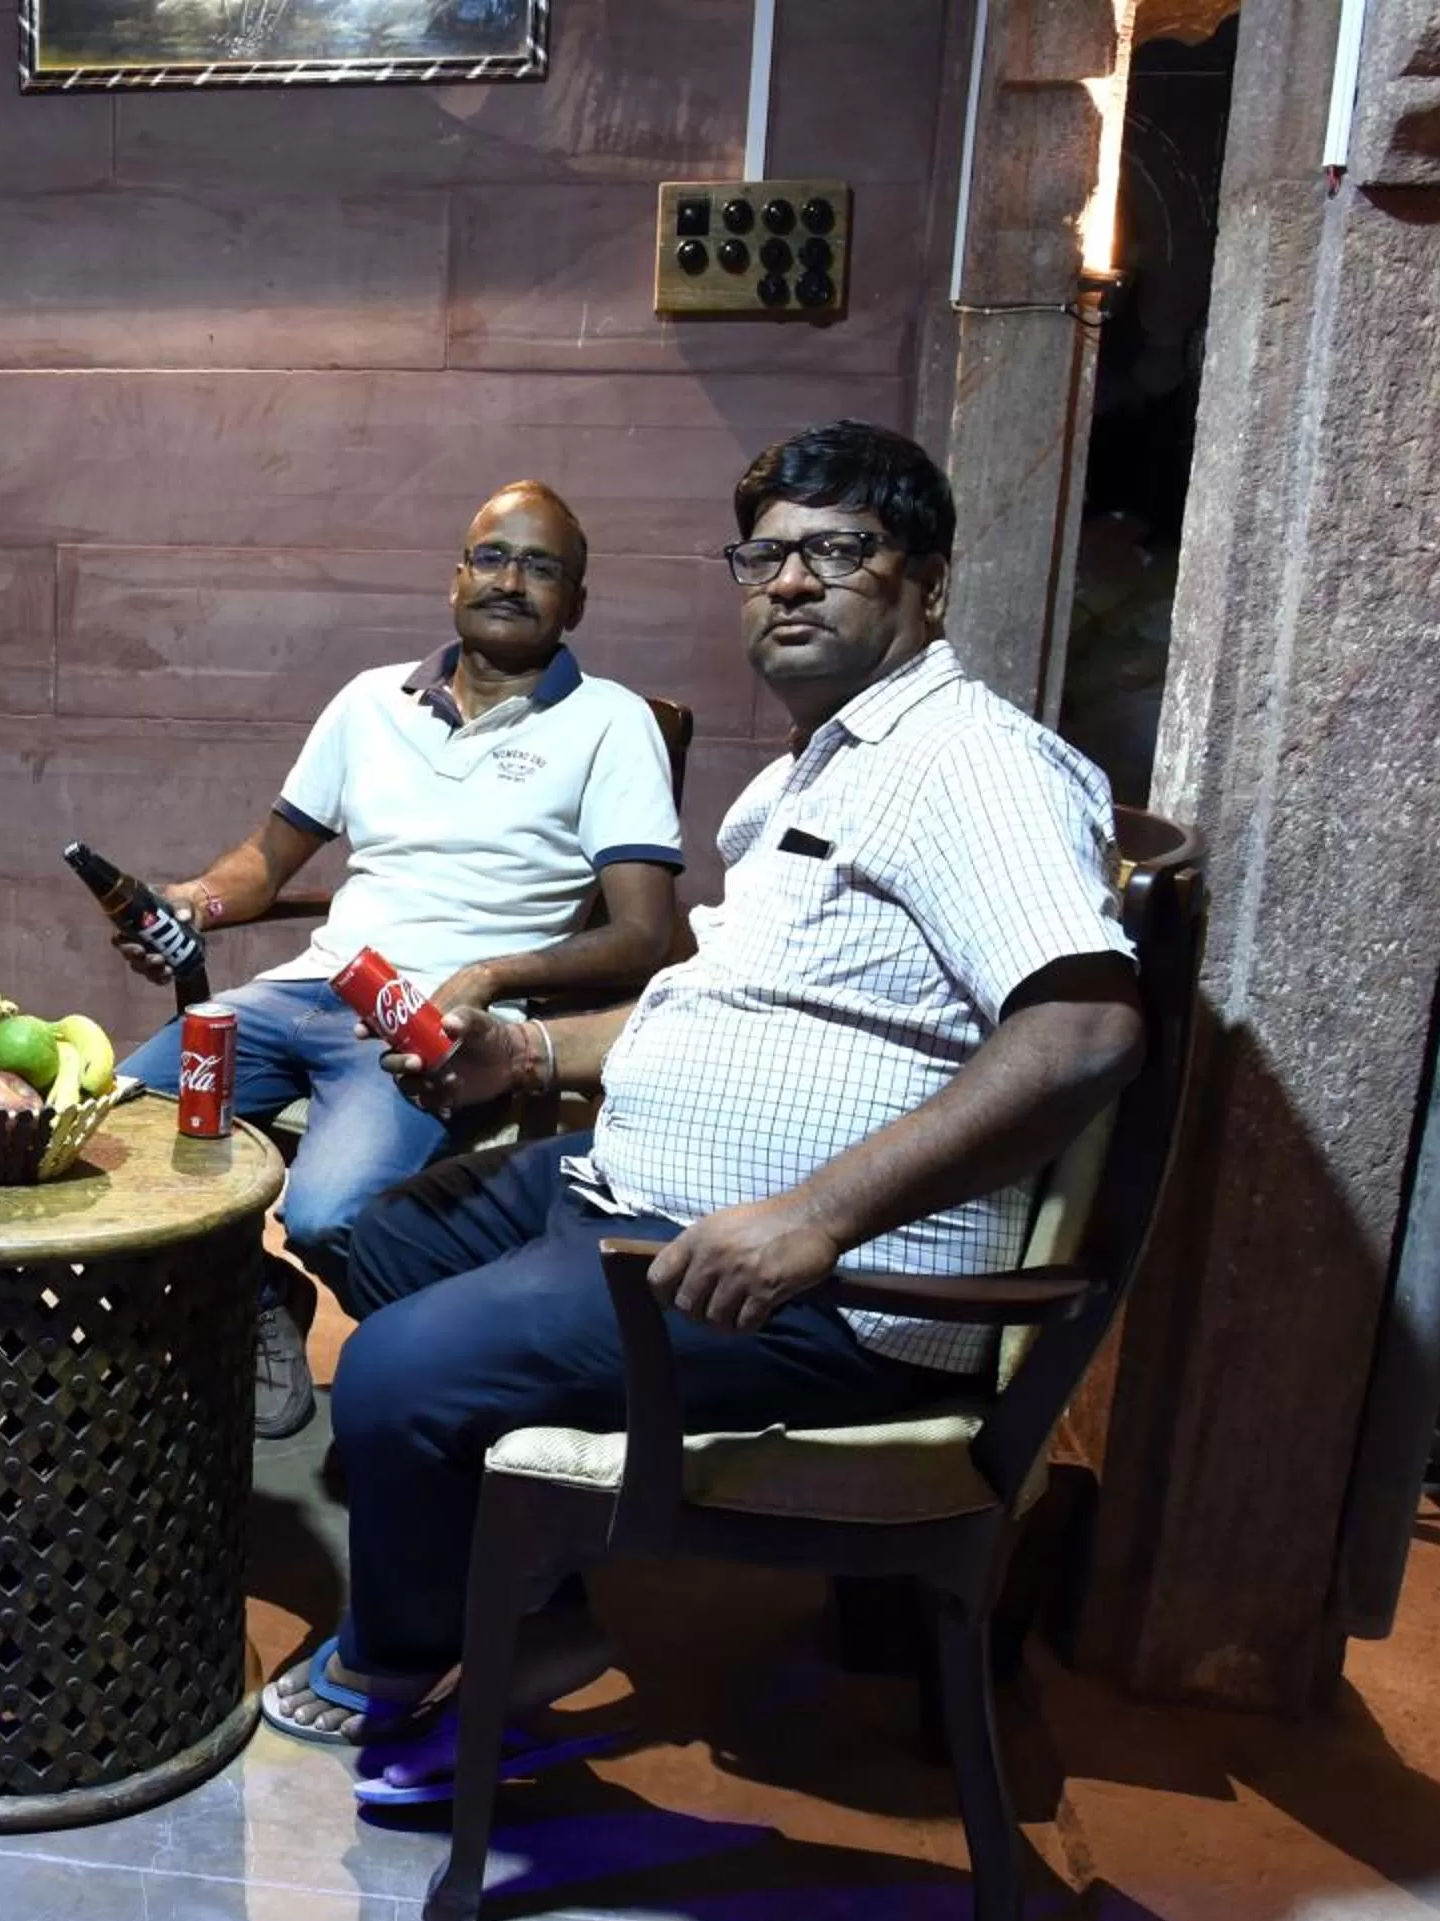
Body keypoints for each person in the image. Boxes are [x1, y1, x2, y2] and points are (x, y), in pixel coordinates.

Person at [261, 422, 1147, 1771]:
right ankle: (530, 1557)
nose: (790, 582)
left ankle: (436, 1646)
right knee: (376, 1233)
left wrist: (815, 1217)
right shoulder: (823, 766)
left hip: (812, 1284)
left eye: (838, 550)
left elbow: (1085, 1027)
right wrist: (529, 1056)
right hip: (646, 1195)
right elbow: (708, 1000)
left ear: (929, 584)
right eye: (767, 554)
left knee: (389, 1374)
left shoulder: (968, 762)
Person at [118, 482, 683, 1437]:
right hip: (303, 987)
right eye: (492, 557)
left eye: (541, 567)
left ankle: (437, 1384)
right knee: (109, 1135)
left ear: (576, 603)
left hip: (423, 1027)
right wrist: (189, 905)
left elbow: (643, 933)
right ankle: (260, 1298)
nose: (510, 580)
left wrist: (497, 978)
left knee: (330, 1215)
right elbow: (264, 863)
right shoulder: (369, 701)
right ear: (456, 576)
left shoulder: (611, 722)